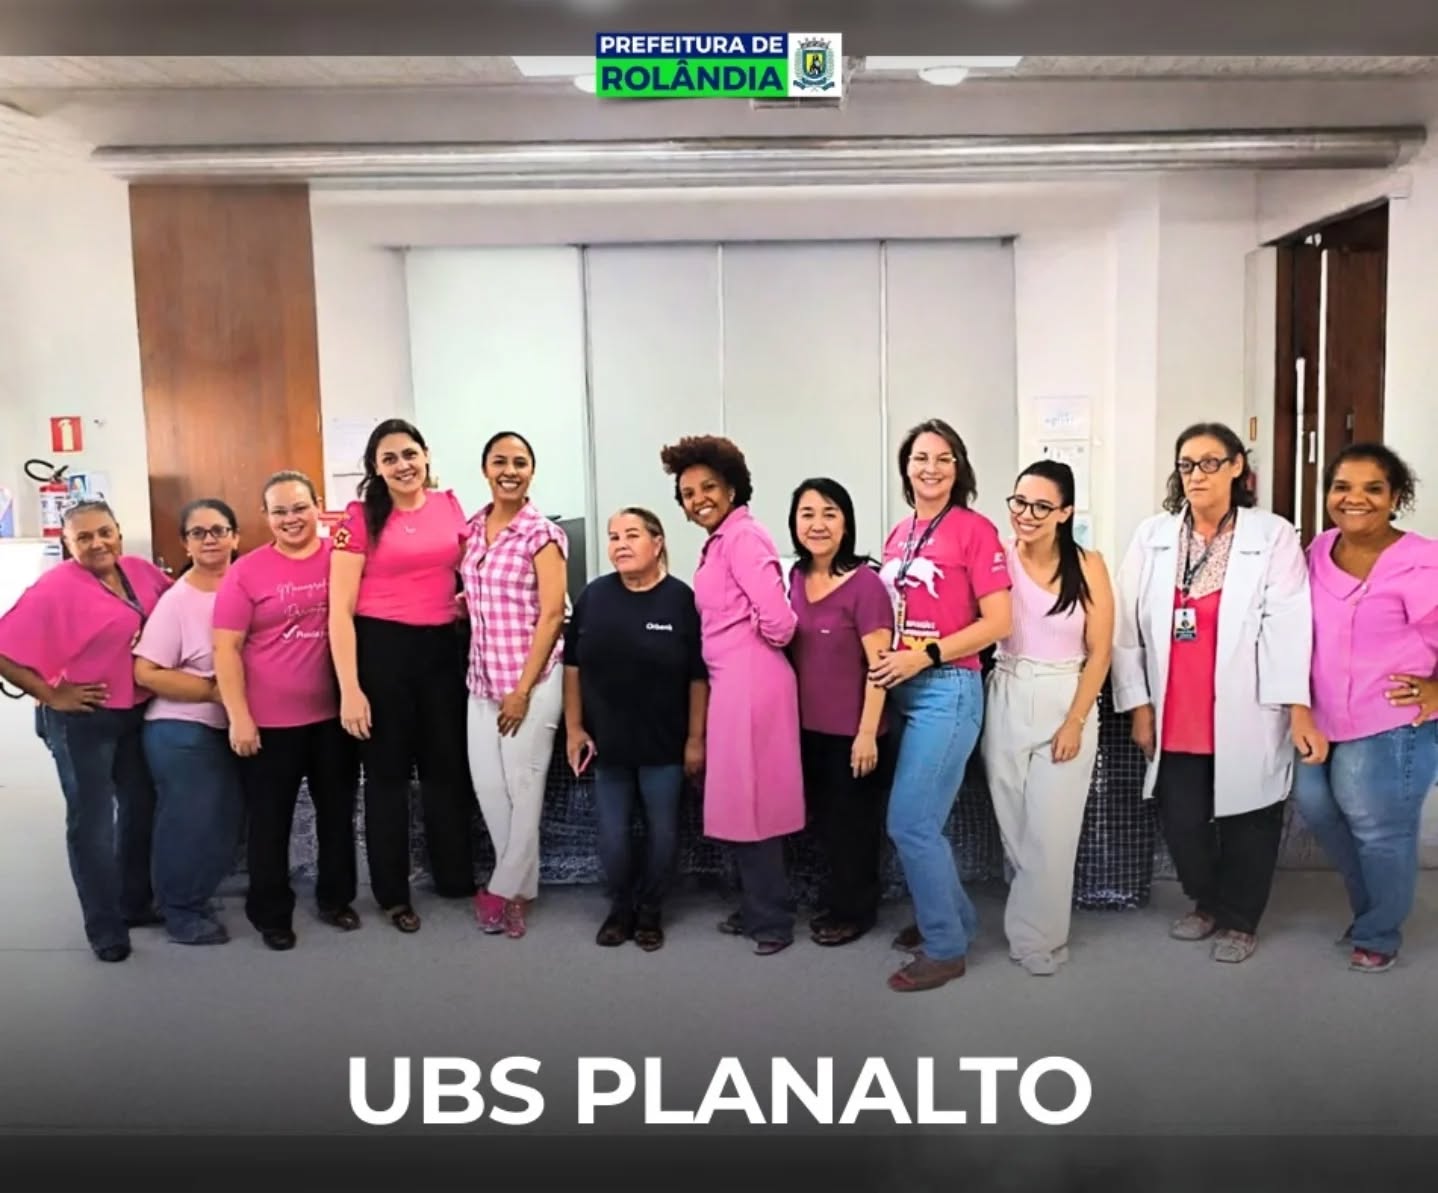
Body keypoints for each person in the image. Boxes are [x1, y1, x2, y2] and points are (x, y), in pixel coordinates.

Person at [1113, 421, 1312, 964]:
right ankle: (1207, 901)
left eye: (1209, 462)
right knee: (1181, 821)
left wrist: (1295, 708)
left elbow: (1290, 626)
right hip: (1175, 710)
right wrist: (1138, 705)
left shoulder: (1271, 536)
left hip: (1248, 707)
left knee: (1250, 819)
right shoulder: (1153, 536)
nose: (1196, 474)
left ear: (1236, 467)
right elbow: (1125, 628)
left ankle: (1240, 920)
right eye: (1187, 464)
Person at [873, 419, 1013, 992]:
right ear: (905, 468)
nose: (930, 468)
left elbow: (998, 622)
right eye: (920, 458)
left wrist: (925, 656)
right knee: (923, 822)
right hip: (901, 687)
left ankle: (946, 949)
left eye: (944, 458)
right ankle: (953, 919)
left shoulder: (975, 530)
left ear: (960, 469)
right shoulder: (900, 533)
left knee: (909, 823)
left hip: (947, 688)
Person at [0, 500, 170, 962]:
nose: (97, 543)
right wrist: (52, 695)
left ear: (119, 532)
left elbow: (177, 609)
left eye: (104, 532)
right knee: (92, 823)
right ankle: (105, 927)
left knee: (140, 808)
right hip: (82, 721)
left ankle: (135, 903)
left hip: (135, 710)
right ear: (67, 544)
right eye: (84, 537)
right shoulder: (55, 587)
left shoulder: (140, 571)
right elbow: (5, 650)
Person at [1290, 443, 1438, 972]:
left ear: (1396, 497)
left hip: (1390, 720)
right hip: (1322, 715)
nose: (1355, 499)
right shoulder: (1318, 549)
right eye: (1342, 487)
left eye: (1373, 488)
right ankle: (1372, 909)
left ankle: (1379, 932)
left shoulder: (1424, 561)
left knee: (1380, 830)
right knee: (1317, 808)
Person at [330, 419, 477, 934]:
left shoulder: (450, 505)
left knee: (446, 769)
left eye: (410, 454)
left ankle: (455, 877)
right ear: (376, 468)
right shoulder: (358, 519)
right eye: (389, 458)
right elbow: (339, 610)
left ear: (426, 455)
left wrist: (468, 602)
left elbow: (469, 571)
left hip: (442, 649)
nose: (402, 465)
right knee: (388, 778)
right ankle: (393, 895)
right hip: (382, 652)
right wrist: (350, 689)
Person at [660, 435, 804, 955]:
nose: (698, 498)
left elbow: (781, 622)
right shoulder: (721, 540)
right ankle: (759, 906)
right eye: (688, 493)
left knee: (756, 802)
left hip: (750, 680)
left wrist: (748, 643)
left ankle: (773, 921)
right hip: (732, 681)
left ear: (732, 488)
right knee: (742, 801)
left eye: (708, 487)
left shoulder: (744, 537)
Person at [214, 472, 360, 951]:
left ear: (318, 506)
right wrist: (239, 716)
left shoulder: (342, 558)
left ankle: (336, 900)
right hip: (270, 724)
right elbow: (226, 649)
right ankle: (271, 914)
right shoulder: (246, 572)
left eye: (299, 507)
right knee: (270, 823)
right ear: (266, 517)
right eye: (279, 511)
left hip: (333, 719)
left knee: (337, 816)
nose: (291, 518)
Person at [979, 461, 1113, 976]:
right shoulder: (997, 558)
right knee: (1015, 825)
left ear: (1065, 512)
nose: (1026, 514)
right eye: (1019, 502)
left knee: (1052, 831)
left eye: (1041, 506)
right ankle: (1036, 921)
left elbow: (1100, 651)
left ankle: (1037, 939)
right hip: (1008, 689)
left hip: (1066, 694)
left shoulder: (1088, 564)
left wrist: (1075, 720)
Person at [563, 507, 708, 951]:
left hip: (665, 745)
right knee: (613, 837)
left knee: (664, 833)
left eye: (631, 535)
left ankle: (650, 910)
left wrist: (695, 739)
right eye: (613, 537)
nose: (620, 544)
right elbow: (572, 667)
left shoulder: (681, 601)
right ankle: (620, 908)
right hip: (608, 745)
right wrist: (574, 728)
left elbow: (698, 677)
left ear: (657, 542)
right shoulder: (594, 596)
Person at [462, 431, 569, 940]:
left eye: (520, 462)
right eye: (500, 461)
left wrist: (523, 689)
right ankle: (521, 890)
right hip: (482, 679)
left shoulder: (542, 534)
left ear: (532, 471)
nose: (510, 470)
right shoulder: (471, 529)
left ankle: (502, 891)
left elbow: (552, 614)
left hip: (531, 680)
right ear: (485, 468)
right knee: (490, 789)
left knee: (524, 791)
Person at [786, 478, 895, 947]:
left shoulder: (866, 585)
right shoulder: (793, 578)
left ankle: (856, 912)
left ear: (846, 523)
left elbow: (881, 667)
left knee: (853, 828)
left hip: (854, 733)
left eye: (829, 513)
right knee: (826, 826)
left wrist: (866, 733)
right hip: (804, 730)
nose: (818, 524)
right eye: (807, 514)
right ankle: (836, 902)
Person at [132, 498, 245, 946]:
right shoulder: (178, 600)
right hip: (181, 727)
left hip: (231, 725)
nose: (210, 539)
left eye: (218, 530)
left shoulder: (247, 584)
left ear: (236, 536)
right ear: (185, 544)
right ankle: (179, 910)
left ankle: (193, 894)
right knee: (193, 818)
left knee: (224, 816)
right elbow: (146, 672)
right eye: (198, 533)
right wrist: (216, 691)